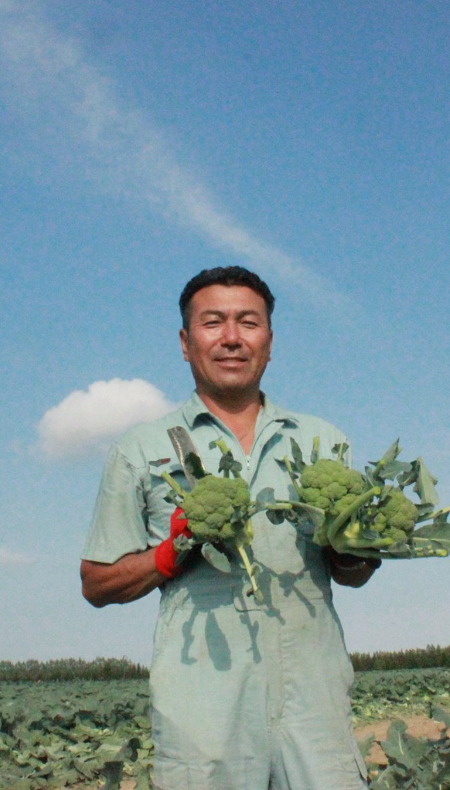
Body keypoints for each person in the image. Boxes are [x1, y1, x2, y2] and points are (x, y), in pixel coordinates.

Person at [80, 266, 379, 789]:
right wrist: (172, 552)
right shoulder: (140, 450)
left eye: (249, 322)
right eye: (213, 322)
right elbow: (96, 583)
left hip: (315, 709)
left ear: (269, 341)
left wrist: (357, 550)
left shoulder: (323, 442)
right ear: (185, 341)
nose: (232, 338)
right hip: (203, 721)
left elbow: (353, 575)